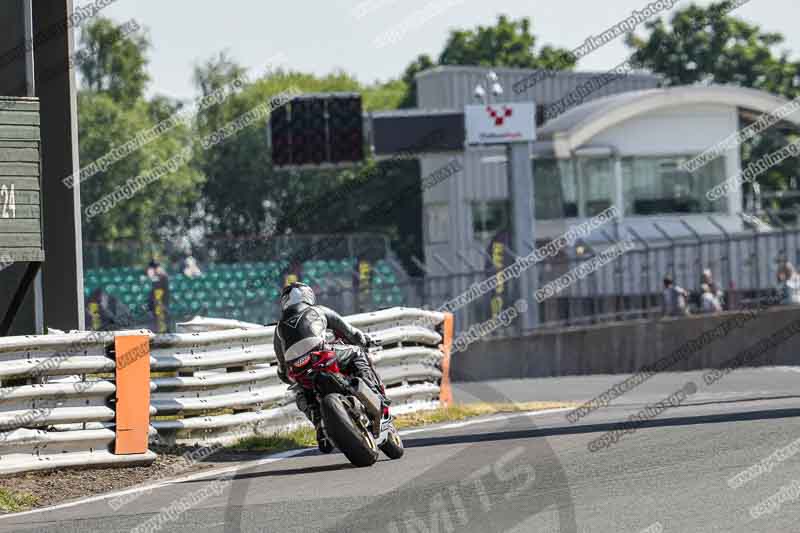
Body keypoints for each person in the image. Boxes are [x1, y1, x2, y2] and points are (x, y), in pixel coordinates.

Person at [273, 282, 388, 452]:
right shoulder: (318, 310)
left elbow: (282, 367)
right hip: (322, 354)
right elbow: (350, 332)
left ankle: (318, 422)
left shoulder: (278, 328)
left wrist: (286, 373)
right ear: (307, 295)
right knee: (356, 352)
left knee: (300, 391)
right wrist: (364, 340)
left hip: (297, 369)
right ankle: (375, 393)